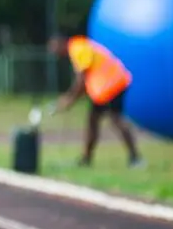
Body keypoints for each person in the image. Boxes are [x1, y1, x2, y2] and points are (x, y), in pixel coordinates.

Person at [48, 33, 143, 167]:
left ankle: (135, 158)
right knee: (93, 121)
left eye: (54, 48)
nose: (54, 53)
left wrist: (69, 99)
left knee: (116, 119)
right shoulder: (78, 47)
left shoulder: (78, 48)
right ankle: (86, 159)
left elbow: (82, 79)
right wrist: (70, 98)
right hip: (104, 88)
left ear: (61, 43)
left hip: (111, 85)